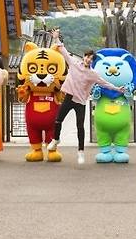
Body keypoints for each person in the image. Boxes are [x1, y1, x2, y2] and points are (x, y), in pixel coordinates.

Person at [47, 29, 125, 164]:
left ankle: (81, 152)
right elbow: (63, 51)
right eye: (87, 57)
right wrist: (56, 38)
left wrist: (117, 89)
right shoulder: (74, 64)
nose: (88, 59)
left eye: (91, 58)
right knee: (58, 120)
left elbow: (104, 83)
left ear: (92, 61)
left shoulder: (93, 74)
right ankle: (56, 139)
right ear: (84, 57)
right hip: (69, 97)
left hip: (80, 102)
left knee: (80, 126)